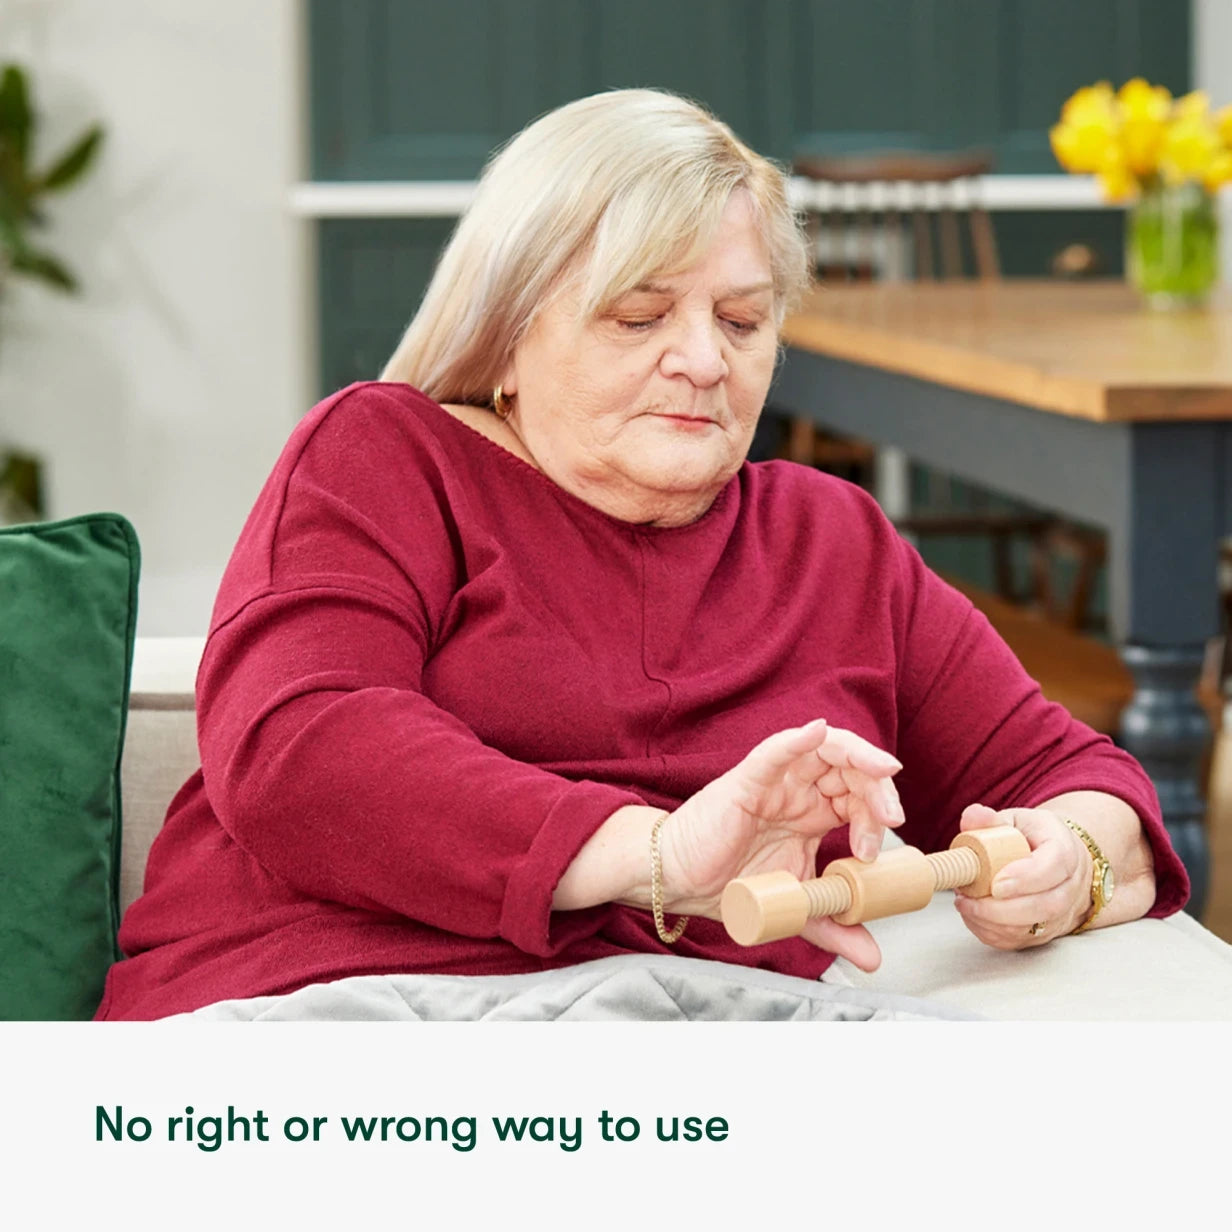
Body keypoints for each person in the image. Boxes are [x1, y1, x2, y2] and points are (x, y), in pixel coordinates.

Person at [96, 89, 1187, 1020]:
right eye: (637, 315)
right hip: (338, 1010)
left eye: (744, 320)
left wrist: (1070, 863)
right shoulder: (384, 454)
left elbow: (1079, 780)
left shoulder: (830, 542)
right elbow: (300, 748)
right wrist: (662, 856)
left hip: (695, 1045)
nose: (704, 361)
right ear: (505, 333)